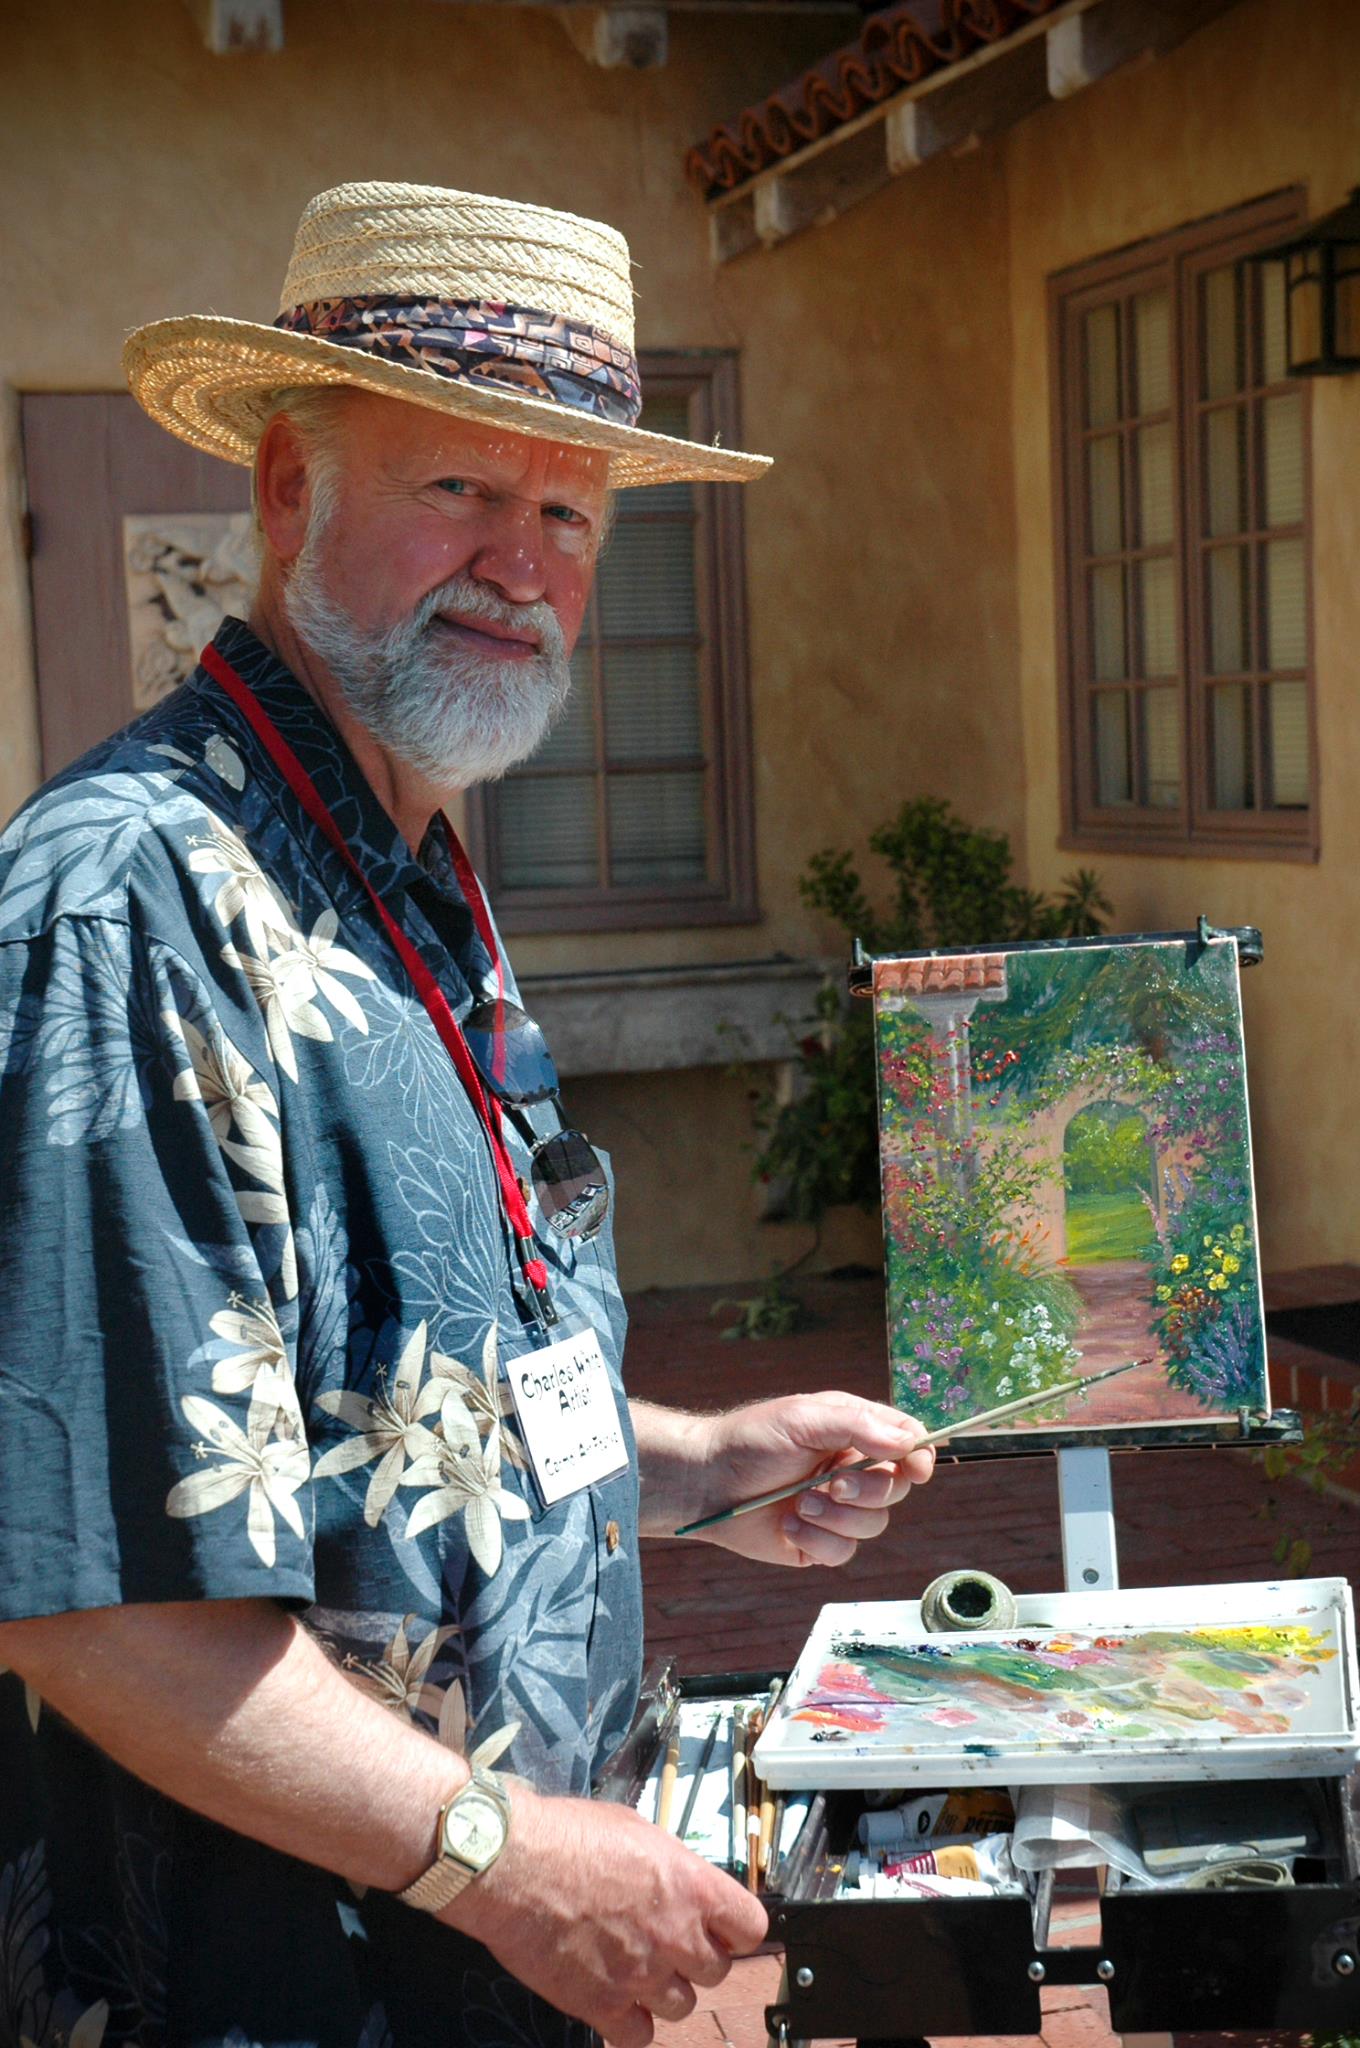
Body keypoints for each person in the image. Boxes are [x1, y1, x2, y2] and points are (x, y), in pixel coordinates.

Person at [0, 183, 933, 2048]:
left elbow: (374, 1414)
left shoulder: (403, 859)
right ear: (287, 489)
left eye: (569, 513)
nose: (523, 565)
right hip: (265, 1992)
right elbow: (94, 1600)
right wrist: (513, 1864)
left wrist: (690, 1467)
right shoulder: (136, 904)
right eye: (459, 492)